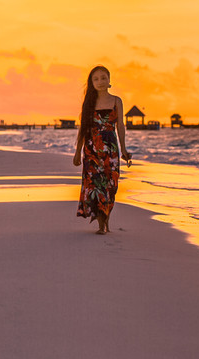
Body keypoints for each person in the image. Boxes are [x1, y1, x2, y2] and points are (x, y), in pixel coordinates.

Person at [73, 65, 132, 234]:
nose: (100, 82)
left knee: (111, 185)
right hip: (91, 148)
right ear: (91, 82)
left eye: (103, 78)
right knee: (94, 185)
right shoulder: (89, 103)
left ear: (109, 80)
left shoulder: (116, 101)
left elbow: (120, 126)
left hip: (110, 148)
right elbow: (83, 128)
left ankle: (106, 220)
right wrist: (77, 152)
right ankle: (101, 224)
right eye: (96, 79)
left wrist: (124, 149)